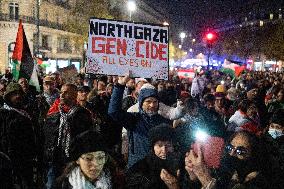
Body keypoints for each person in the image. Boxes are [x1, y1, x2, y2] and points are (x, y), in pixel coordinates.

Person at [108, 74, 171, 168]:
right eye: (148, 101)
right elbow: (114, 112)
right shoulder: (133, 119)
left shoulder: (163, 121)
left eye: (155, 102)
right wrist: (120, 86)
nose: (152, 105)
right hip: (137, 168)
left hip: (158, 168)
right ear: (141, 103)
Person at [44, 83, 94, 189]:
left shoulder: (83, 115)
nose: (62, 95)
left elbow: (87, 139)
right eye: (61, 92)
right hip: (55, 160)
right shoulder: (53, 113)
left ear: (74, 94)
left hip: (74, 160)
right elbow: (47, 137)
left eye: (66, 92)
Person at [184, 131, 269, 189]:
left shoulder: (256, 180)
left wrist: (205, 178)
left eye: (240, 151)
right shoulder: (227, 170)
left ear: (252, 155)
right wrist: (194, 177)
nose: (232, 153)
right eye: (230, 147)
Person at [55, 130, 125, 189]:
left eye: (100, 157)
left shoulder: (117, 182)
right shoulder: (62, 185)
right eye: (88, 158)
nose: (96, 164)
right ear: (77, 160)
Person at [0, 82, 36, 188]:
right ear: (8, 96)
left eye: (19, 93)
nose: (17, 96)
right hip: (7, 160)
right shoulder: (3, 114)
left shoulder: (26, 113)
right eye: (14, 94)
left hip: (25, 160)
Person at [126, 124, 181, 189]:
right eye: (159, 145)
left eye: (168, 145)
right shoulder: (138, 171)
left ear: (174, 146)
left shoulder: (183, 163)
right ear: (153, 147)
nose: (164, 150)